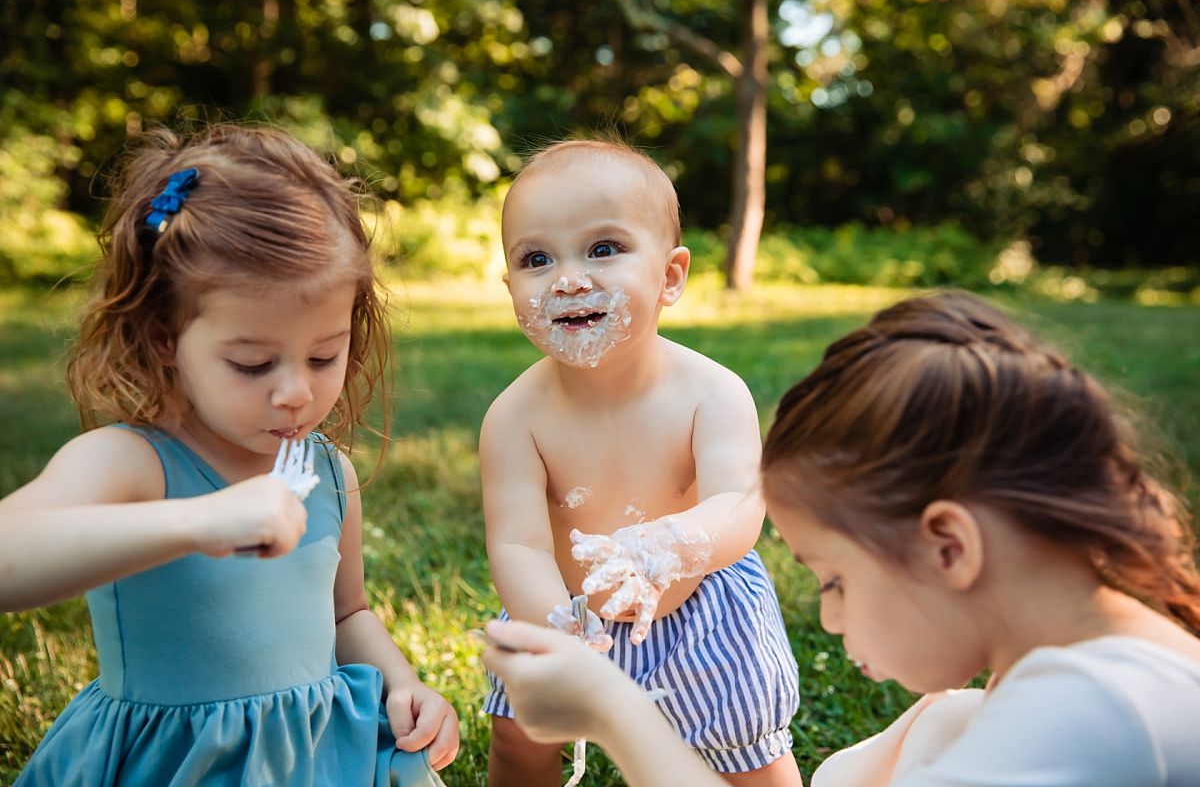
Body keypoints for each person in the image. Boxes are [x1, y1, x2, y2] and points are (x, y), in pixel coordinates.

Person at [483, 290, 1200, 786]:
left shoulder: (1096, 712)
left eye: (835, 580)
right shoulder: (1068, 673)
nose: (828, 617)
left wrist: (615, 709)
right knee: (942, 724)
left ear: (950, 547)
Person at [0, 124, 459, 786]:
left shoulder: (327, 471)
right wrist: (199, 522)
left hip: (318, 758)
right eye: (252, 363)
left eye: (324, 355)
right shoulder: (133, 462)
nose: (297, 392)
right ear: (165, 339)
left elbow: (347, 612)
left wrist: (402, 683)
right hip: (179, 764)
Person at [480, 138, 802, 786]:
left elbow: (740, 504)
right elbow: (517, 543)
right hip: (568, 608)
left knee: (748, 757)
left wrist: (670, 545)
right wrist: (556, 627)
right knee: (520, 738)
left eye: (603, 249)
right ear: (510, 287)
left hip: (699, 612)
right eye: (536, 259)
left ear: (670, 276)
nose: (568, 278)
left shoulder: (710, 393)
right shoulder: (515, 417)